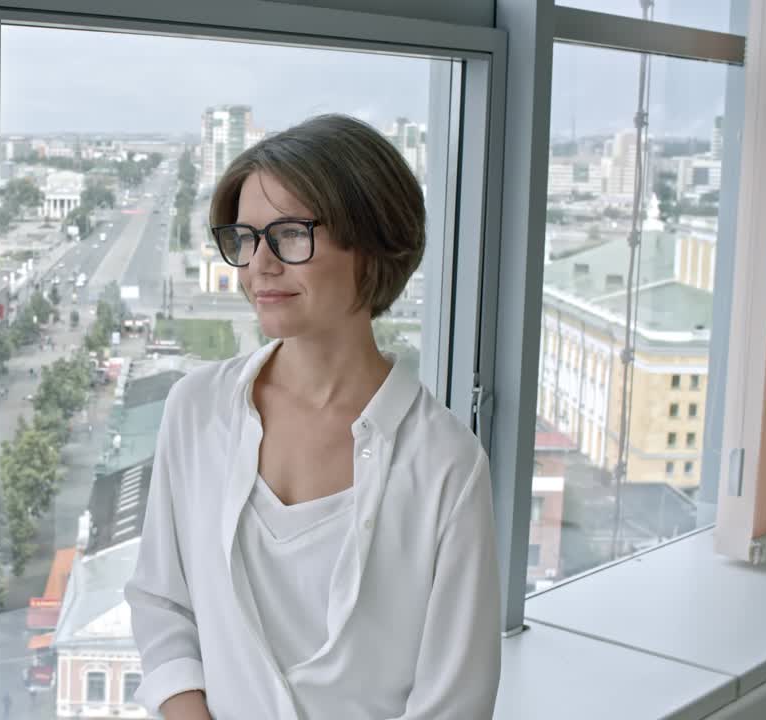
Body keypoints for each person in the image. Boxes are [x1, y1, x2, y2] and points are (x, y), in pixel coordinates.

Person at [125, 114, 500, 720]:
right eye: (245, 238)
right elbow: (162, 604)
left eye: (291, 234)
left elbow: (454, 703)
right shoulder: (195, 409)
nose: (258, 266)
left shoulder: (445, 464)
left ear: (374, 241)